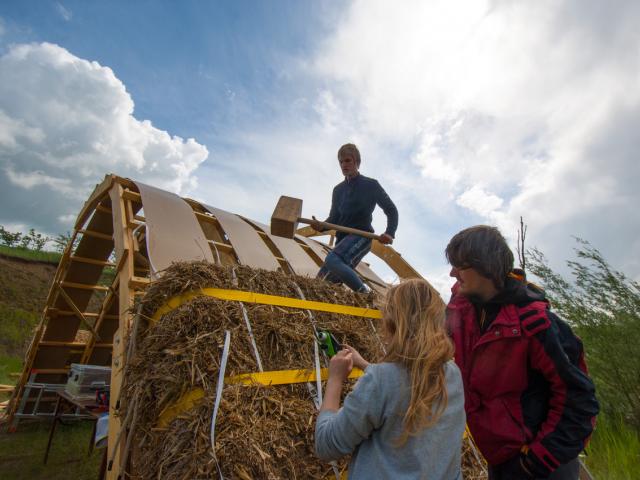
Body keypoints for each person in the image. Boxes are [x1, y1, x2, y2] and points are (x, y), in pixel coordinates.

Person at [445, 225, 599, 480]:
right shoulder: (464, 310)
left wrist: (537, 460)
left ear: (484, 266)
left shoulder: (535, 324)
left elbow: (579, 399)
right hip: (499, 455)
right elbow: (438, 342)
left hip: (538, 465)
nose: (452, 273)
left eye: (459, 266)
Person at [315, 278, 466, 479]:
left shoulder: (381, 380)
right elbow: (407, 383)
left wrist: (335, 379)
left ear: (393, 322)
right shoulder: (453, 374)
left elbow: (327, 445)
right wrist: (365, 365)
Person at [312, 143, 398, 292]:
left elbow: (391, 210)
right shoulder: (338, 190)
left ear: (357, 162)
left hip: (361, 236)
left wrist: (389, 232)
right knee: (320, 284)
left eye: (347, 160)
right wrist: (321, 226)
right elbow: (334, 219)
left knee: (333, 260)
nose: (343, 165)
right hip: (342, 241)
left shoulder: (371, 185)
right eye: (340, 161)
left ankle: (366, 294)